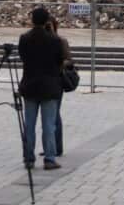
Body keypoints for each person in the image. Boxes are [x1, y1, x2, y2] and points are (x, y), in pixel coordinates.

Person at [18, 6, 64, 170]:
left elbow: (23, 57)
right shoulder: (55, 40)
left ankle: (29, 158)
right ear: (47, 21)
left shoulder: (24, 38)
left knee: (29, 125)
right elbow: (61, 61)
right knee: (48, 125)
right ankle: (50, 159)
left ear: (32, 20)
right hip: (50, 87)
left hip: (30, 86)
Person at [46, 16, 73, 159]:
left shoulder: (61, 41)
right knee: (48, 116)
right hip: (45, 81)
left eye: (49, 26)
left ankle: (57, 146)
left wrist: (59, 64)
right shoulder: (42, 42)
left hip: (57, 81)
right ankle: (50, 146)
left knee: (54, 114)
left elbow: (69, 61)